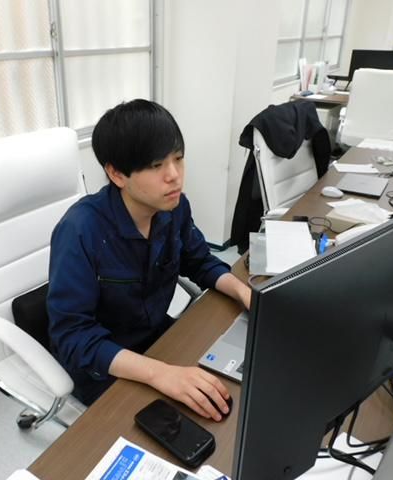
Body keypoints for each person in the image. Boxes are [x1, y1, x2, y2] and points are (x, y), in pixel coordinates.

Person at [47, 99, 251, 422]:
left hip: (156, 341)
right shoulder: (80, 230)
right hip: (104, 366)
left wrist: (246, 294)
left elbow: (199, 260)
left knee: (231, 391)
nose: (174, 176)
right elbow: (74, 338)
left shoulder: (174, 207)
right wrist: (159, 373)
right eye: (156, 165)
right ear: (116, 173)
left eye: (178, 159)